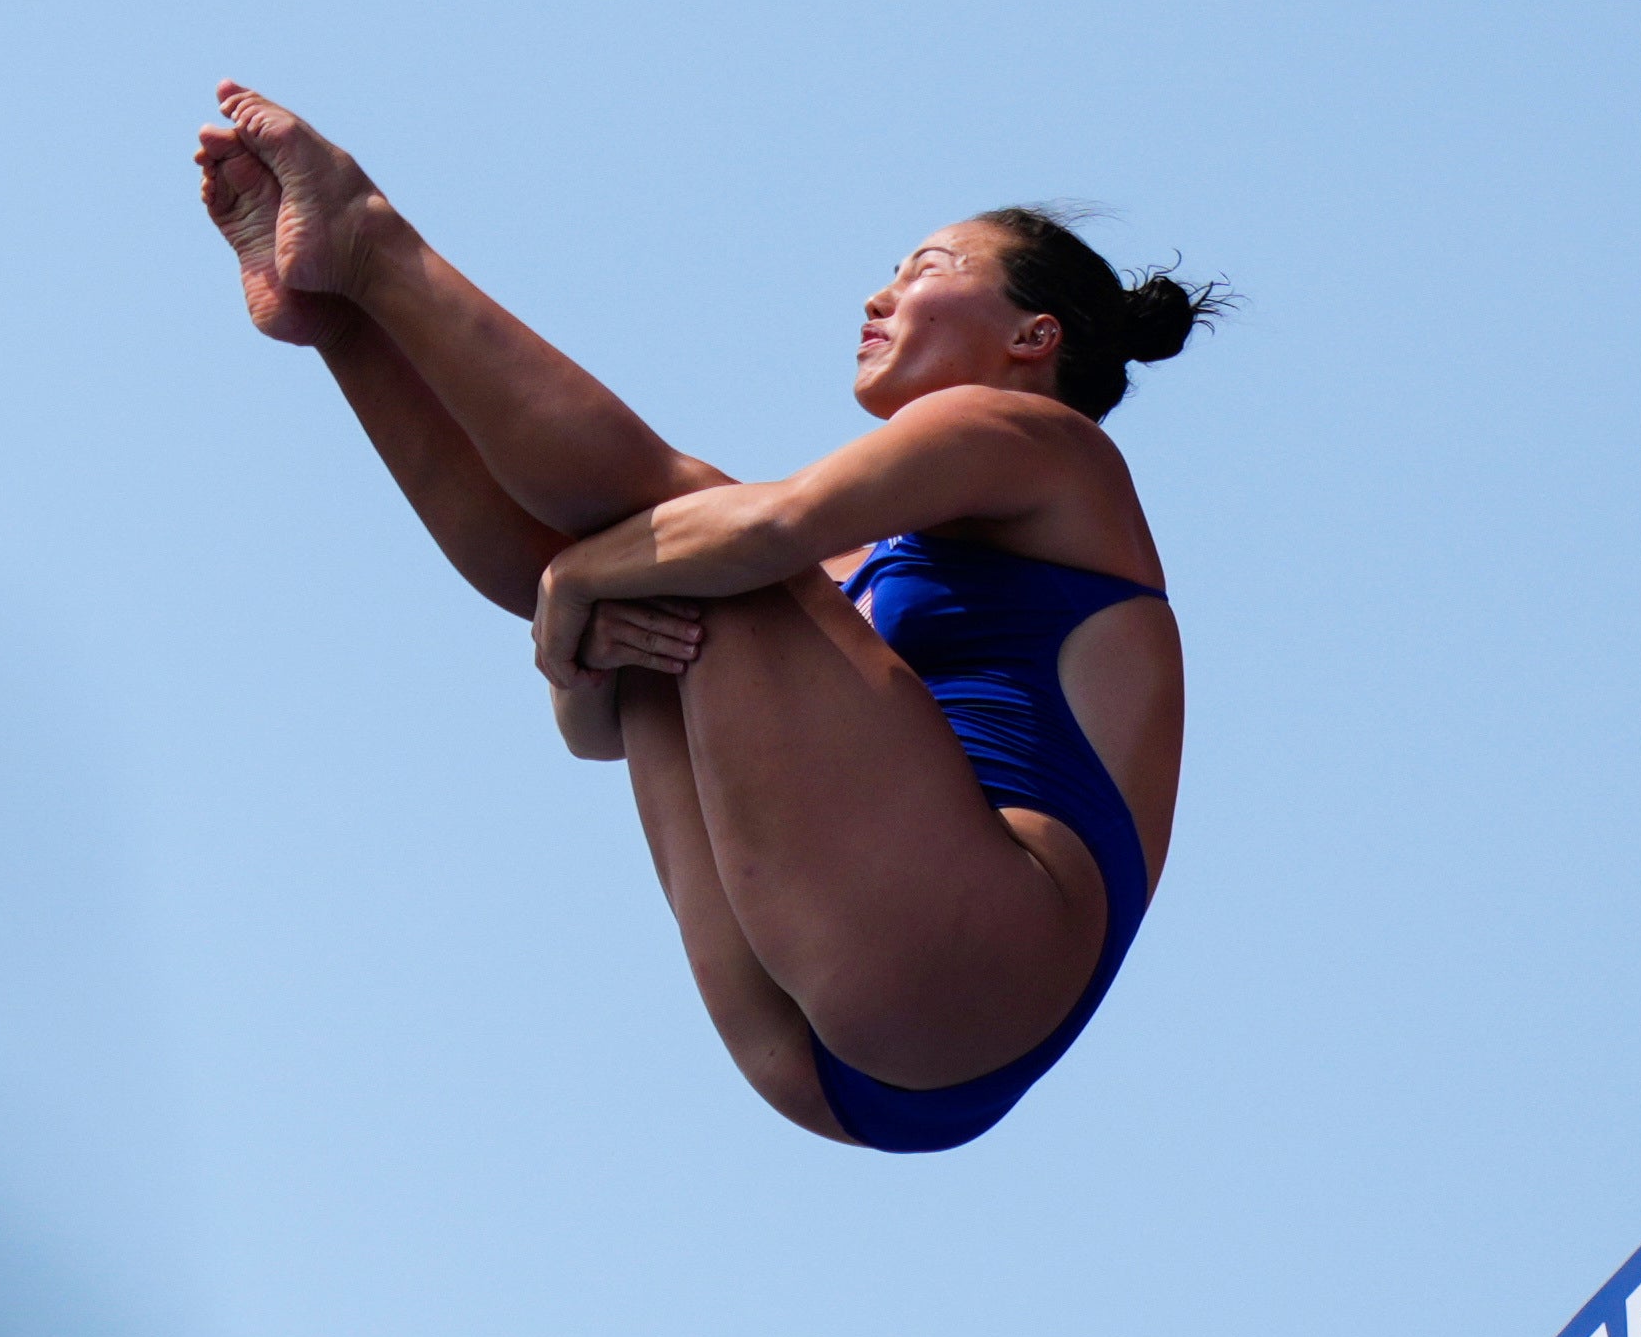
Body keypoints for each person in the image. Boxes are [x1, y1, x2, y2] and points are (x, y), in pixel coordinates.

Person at [198, 86, 1219, 1151]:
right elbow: (603, 721)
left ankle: (369, 240)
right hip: (835, 1053)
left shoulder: (1046, 443)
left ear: (1032, 335)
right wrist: (572, 625)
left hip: (978, 954)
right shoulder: (839, 584)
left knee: (691, 527)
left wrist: (578, 591)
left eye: (926, 270)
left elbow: (759, 524)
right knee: (668, 571)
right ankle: (342, 324)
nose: (877, 296)